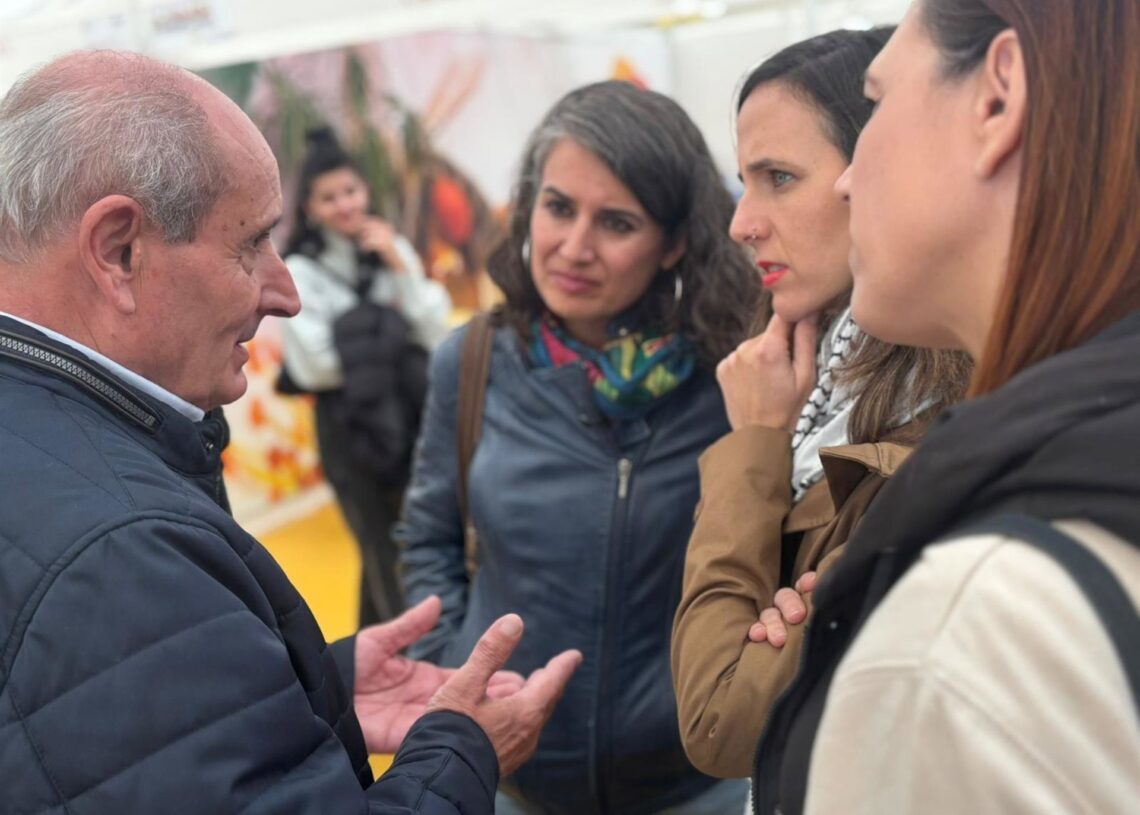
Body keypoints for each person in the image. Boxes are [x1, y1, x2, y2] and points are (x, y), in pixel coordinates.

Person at [0, 50, 581, 814]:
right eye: (250, 244)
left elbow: (89, 734)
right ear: (118, 250)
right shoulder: (124, 554)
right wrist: (463, 747)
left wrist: (308, 686)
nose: (285, 292)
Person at [751, 2, 1140, 814]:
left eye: (877, 101)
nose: (850, 180)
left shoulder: (970, 631)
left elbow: (715, 713)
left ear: (997, 97)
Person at [399, 81, 761, 815]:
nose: (574, 247)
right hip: (510, 780)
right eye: (559, 207)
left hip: (696, 782)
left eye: (617, 222)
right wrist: (455, 669)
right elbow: (428, 537)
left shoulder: (737, 377)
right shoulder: (473, 361)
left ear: (675, 243)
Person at [669, 27, 971, 780]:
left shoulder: (935, 433)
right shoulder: (813, 374)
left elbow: (720, 718)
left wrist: (754, 446)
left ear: (881, 172)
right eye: (744, 181)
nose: (742, 223)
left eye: (779, 177)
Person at [279, 127, 451, 625]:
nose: (344, 205)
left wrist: (399, 266)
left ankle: (379, 649)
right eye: (329, 197)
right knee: (379, 546)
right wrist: (392, 335)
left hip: (409, 413)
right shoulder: (301, 271)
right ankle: (411, 653)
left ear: (366, 191)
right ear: (309, 208)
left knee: (418, 538)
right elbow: (314, 365)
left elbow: (434, 331)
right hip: (349, 425)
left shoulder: (391, 248)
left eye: (350, 191)